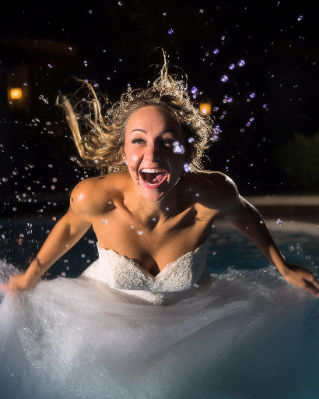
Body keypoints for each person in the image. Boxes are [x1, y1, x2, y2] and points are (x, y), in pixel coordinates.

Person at [1, 56, 319, 399]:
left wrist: (282, 266)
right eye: (139, 141)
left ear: (187, 151)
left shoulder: (212, 194)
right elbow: (68, 228)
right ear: (124, 152)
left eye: (168, 141)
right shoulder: (94, 198)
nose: (151, 155)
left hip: (197, 319)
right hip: (107, 317)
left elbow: (245, 214)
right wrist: (30, 276)